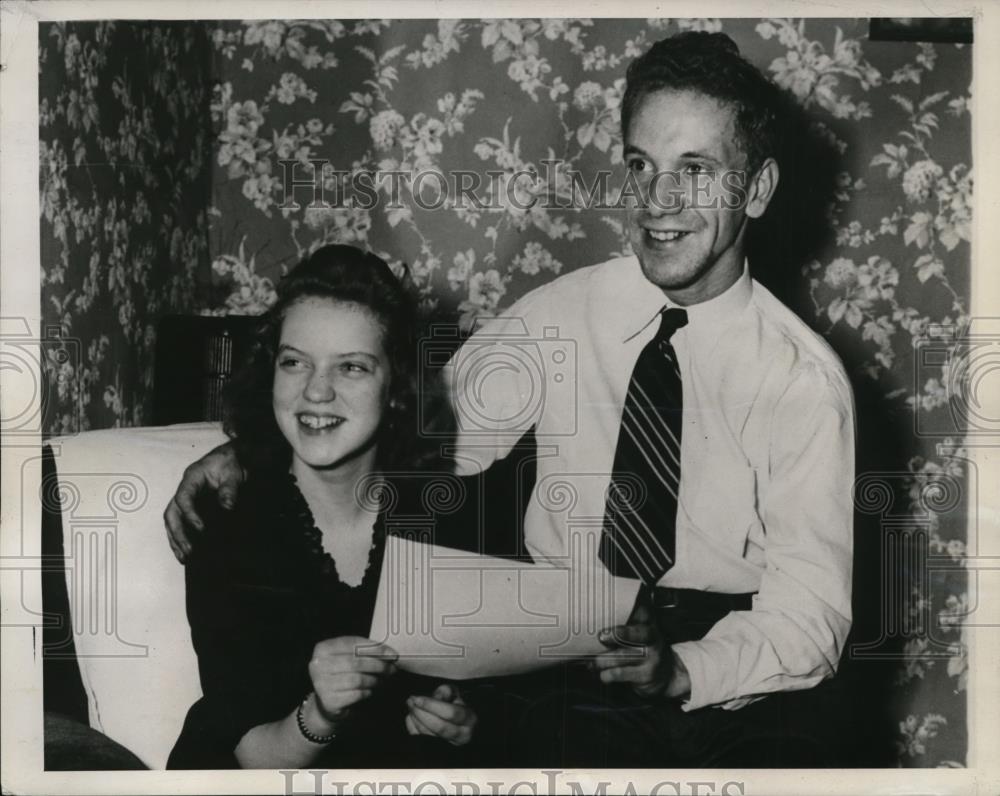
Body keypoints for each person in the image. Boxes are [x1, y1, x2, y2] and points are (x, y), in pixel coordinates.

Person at [165, 32, 855, 767]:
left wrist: (685, 668)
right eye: (640, 166)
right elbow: (419, 429)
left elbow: (811, 617)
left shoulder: (802, 381)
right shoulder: (558, 314)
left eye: (695, 170)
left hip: (736, 674)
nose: (658, 201)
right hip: (575, 664)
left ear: (756, 188)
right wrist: (251, 450)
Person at [166, 245, 478, 769]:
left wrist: (466, 726)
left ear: (397, 388)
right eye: (294, 362)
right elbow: (253, 759)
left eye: (351, 367)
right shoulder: (225, 522)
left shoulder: (449, 519)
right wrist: (322, 715)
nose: (315, 390)